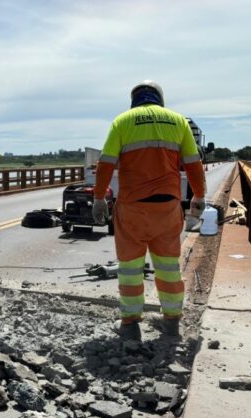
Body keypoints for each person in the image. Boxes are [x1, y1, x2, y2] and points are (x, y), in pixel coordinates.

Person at [91, 81, 207, 340]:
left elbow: (105, 163)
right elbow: (193, 164)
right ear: (160, 99)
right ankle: (171, 324)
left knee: (130, 268)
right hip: (167, 208)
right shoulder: (178, 122)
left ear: (134, 99)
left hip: (132, 209)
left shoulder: (122, 122)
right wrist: (199, 196)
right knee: (168, 267)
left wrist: (99, 198)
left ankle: (130, 325)